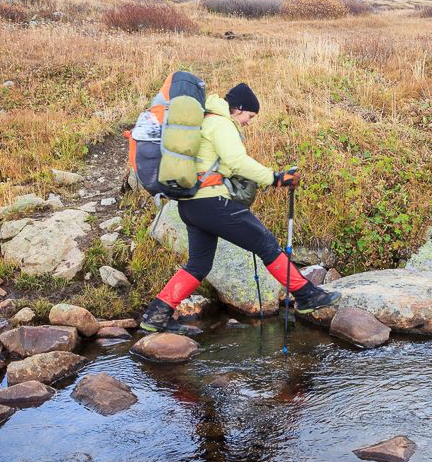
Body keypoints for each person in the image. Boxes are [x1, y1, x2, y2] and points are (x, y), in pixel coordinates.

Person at [140, 83, 341, 334]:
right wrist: (275, 178)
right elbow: (236, 162)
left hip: (190, 206)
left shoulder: (203, 121)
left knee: (198, 265)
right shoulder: (221, 123)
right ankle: (306, 295)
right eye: (250, 116)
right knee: (266, 243)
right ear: (239, 109)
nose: (248, 122)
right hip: (212, 203)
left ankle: (156, 315)